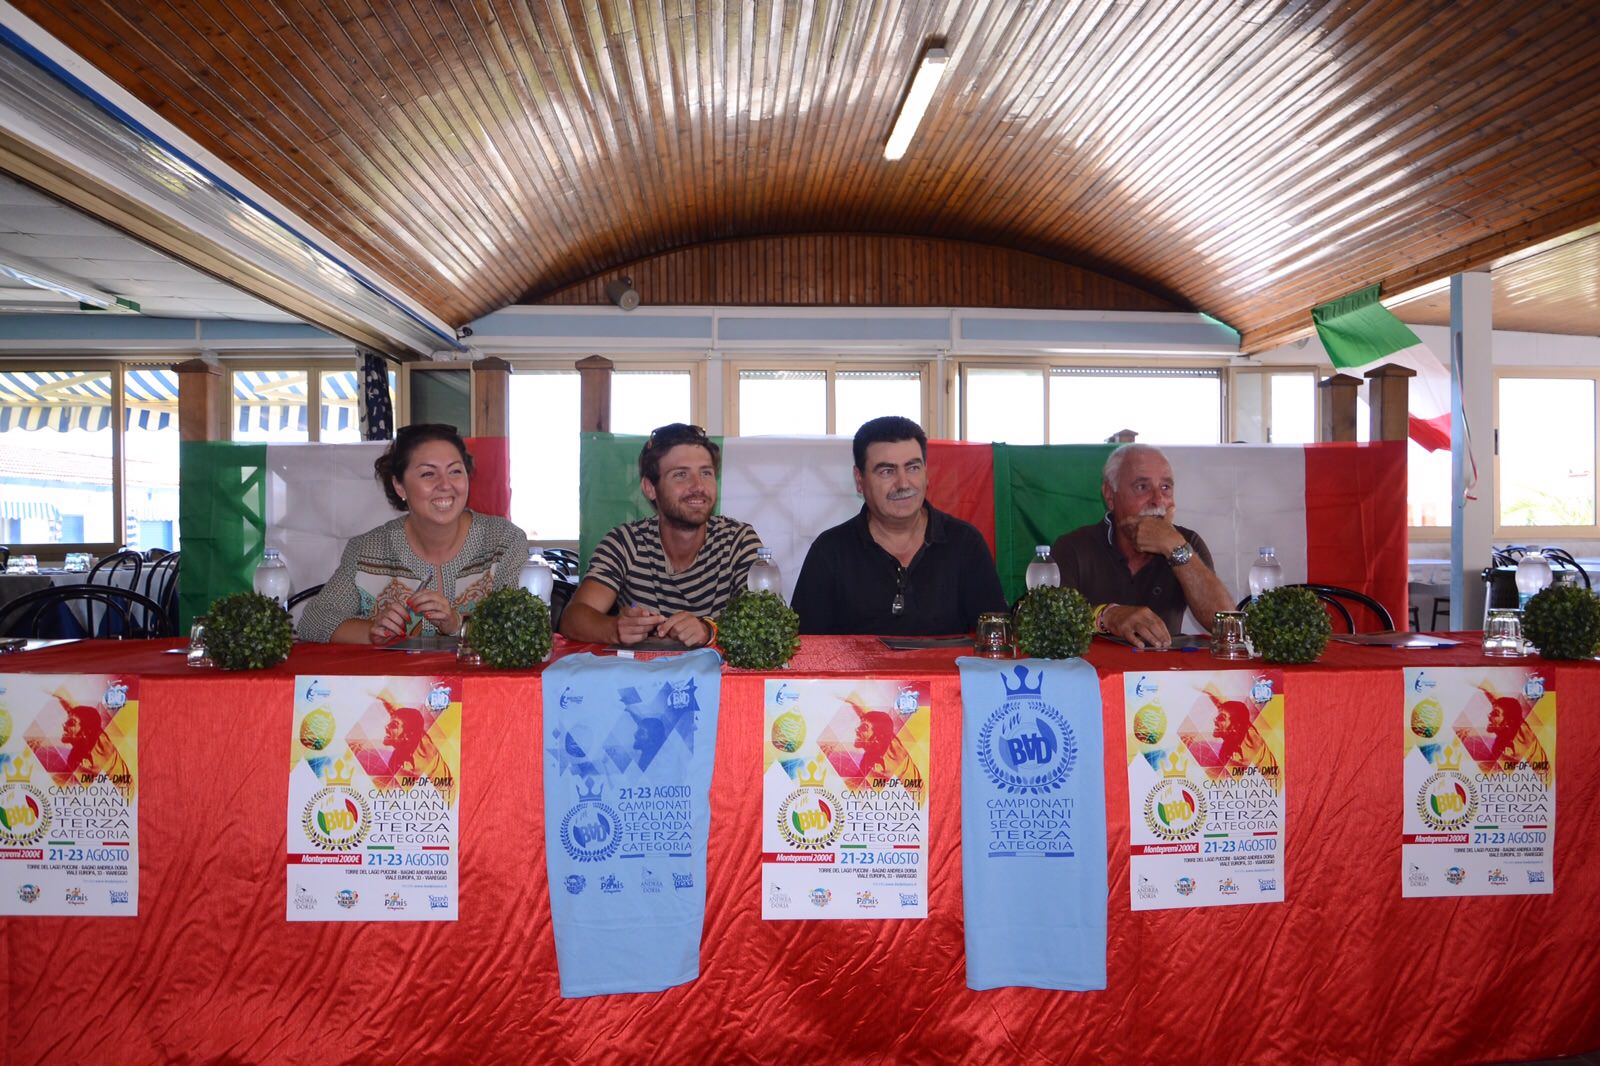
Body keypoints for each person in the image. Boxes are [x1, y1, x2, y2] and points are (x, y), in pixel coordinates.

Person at [297, 423, 528, 644]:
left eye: (455, 471)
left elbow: (524, 628)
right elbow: (313, 621)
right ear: (399, 486)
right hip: (389, 686)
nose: (445, 485)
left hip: (485, 685)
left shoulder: (503, 541)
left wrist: (458, 624)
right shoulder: (367, 550)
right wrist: (372, 631)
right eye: (428, 474)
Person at [791, 416, 1006, 635]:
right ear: (859, 480)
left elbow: (995, 643)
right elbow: (807, 653)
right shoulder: (830, 551)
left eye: (912, 468)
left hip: (946, 670)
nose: (903, 484)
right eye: (887, 471)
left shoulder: (965, 544)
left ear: (926, 473)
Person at [560, 423, 762, 647]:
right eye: (681, 475)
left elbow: (766, 622)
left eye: (706, 473)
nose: (698, 486)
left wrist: (709, 630)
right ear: (649, 488)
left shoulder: (738, 540)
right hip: (640, 678)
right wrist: (614, 629)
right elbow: (573, 618)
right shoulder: (626, 542)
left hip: (722, 680)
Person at [1050, 443, 1233, 649]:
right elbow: (1048, 625)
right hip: (1093, 676)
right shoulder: (1073, 547)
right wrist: (1106, 616)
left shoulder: (1187, 542)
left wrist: (1175, 547)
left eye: (1165, 487)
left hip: (1166, 676)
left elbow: (1227, 626)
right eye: (1142, 487)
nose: (1157, 501)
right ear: (1110, 496)